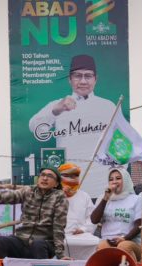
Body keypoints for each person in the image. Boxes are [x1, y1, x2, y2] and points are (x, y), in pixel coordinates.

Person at [28, 54, 117, 195]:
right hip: (68, 187)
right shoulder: (57, 104)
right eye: (77, 76)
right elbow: (35, 127)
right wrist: (57, 110)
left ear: (96, 79)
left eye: (88, 76)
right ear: (70, 79)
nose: (83, 81)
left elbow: (119, 145)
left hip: (101, 186)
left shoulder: (108, 107)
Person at [0, 166, 69, 260]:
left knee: (38, 244)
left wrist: (60, 255)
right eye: (42, 175)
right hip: (21, 240)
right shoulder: (28, 191)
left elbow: (58, 227)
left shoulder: (60, 197)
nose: (45, 178)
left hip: (44, 243)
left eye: (50, 176)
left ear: (56, 183)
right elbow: (2, 197)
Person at [90, 168, 142, 261]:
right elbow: (94, 220)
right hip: (107, 240)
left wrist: (124, 238)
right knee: (102, 246)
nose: (114, 182)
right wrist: (106, 198)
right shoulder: (104, 198)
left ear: (125, 180)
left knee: (123, 246)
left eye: (118, 178)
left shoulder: (136, 199)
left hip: (129, 241)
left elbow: (139, 225)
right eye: (111, 179)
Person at [58, 163, 99, 260]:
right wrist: (61, 195)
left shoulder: (84, 196)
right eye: (67, 176)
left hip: (80, 236)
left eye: (74, 176)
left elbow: (92, 219)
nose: (70, 179)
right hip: (57, 236)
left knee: (97, 243)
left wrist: (83, 229)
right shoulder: (53, 195)